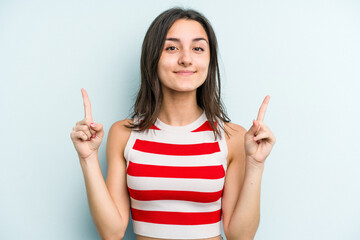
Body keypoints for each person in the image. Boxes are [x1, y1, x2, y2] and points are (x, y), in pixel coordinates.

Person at [70, 7, 276, 240]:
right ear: (153, 57)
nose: (186, 59)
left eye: (198, 48)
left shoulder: (232, 137)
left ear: (210, 60)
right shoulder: (124, 134)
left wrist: (256, 165)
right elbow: (112, 232)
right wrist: (87, 158)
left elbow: (240, 236)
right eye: (171, 48)